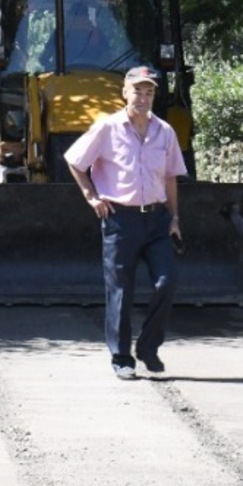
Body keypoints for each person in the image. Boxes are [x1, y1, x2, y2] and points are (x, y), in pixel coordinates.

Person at [64, 65, 187, 380]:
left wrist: (174, 217)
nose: (143, 98)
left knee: (167, 281)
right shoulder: (107, 128)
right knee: (121, 289)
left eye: (149, 93)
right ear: (125, 93)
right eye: (138, 91)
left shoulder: (165, 132)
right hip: (121, 220)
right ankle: (122, 358)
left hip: (157, 220)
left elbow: (171, 176)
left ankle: (148, 347)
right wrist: (91, 196)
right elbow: (75, 160)